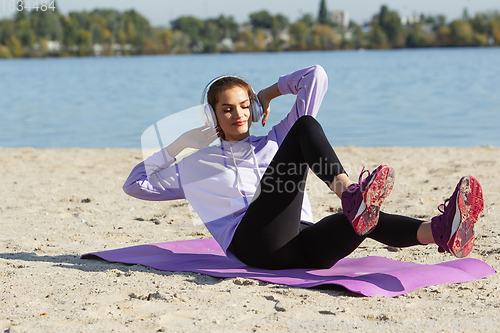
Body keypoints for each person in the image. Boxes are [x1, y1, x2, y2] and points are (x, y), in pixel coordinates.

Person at [123, 65, 484, 270]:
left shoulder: (272, 141)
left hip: (304, 246)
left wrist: (269, 93)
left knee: (361, 218)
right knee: (303, 129)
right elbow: (136, 183)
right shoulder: (197, 165)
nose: (239, 114)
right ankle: (351, 195)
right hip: (256, 247)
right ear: (212, 115)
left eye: (244, 105)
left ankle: (441, 232)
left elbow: (316, 76)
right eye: (227, 108)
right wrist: (182, 143)